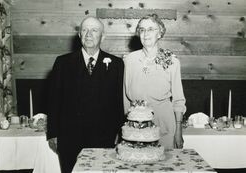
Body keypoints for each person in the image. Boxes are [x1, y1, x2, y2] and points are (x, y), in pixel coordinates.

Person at [47, 16, 124, 173]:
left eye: (94, 30)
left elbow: (119, 102)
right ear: (79, 35)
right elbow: (54, 100)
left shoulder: (116, 64)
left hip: (104, 137)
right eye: (84, 30)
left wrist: (120, 132)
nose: (89, 34)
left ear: (103, 36)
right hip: (70, 138)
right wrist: (53, 133)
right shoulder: (62, 63)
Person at [123, 14, 186, 149]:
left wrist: (178, 130)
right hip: (135, 125)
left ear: (160, 33)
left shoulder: (172, 61)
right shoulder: (129, 60)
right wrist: (125, 126)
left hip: (163, 124)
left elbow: (178, 100)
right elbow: (125, 98)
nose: (145, 34)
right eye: (142, 29)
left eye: (151, 29)